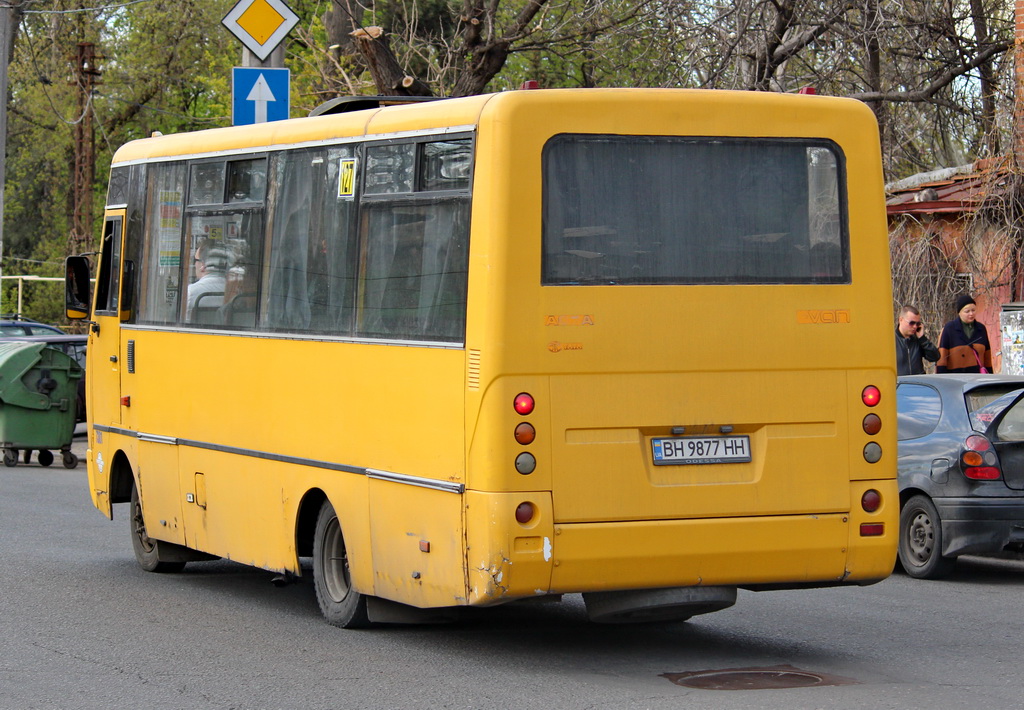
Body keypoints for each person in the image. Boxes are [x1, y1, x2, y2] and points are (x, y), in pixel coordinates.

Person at [936, 294, 993, 373]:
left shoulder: (981, 328)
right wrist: (941, 379)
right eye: (967, 311)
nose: (971, 314)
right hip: (956, 377)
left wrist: (990, 378)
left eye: (973, 310)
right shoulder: (950, 328)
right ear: (959, 312)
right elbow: (942, 356)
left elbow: (987, 357)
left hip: (977, 376)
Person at [186, 239, 228, 320]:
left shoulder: (189, 293)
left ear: (203, 265)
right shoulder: (234, 293)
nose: (194, 264)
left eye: (195, 260)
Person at [895, 306, 939, 375]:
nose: (915, 326)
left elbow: (935, 357)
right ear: (901, 320)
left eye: (918, 324)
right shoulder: (891, 341)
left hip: (918, 382)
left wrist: (922, 338)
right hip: (900, 383)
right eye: (911, 323)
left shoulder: (918, 340)